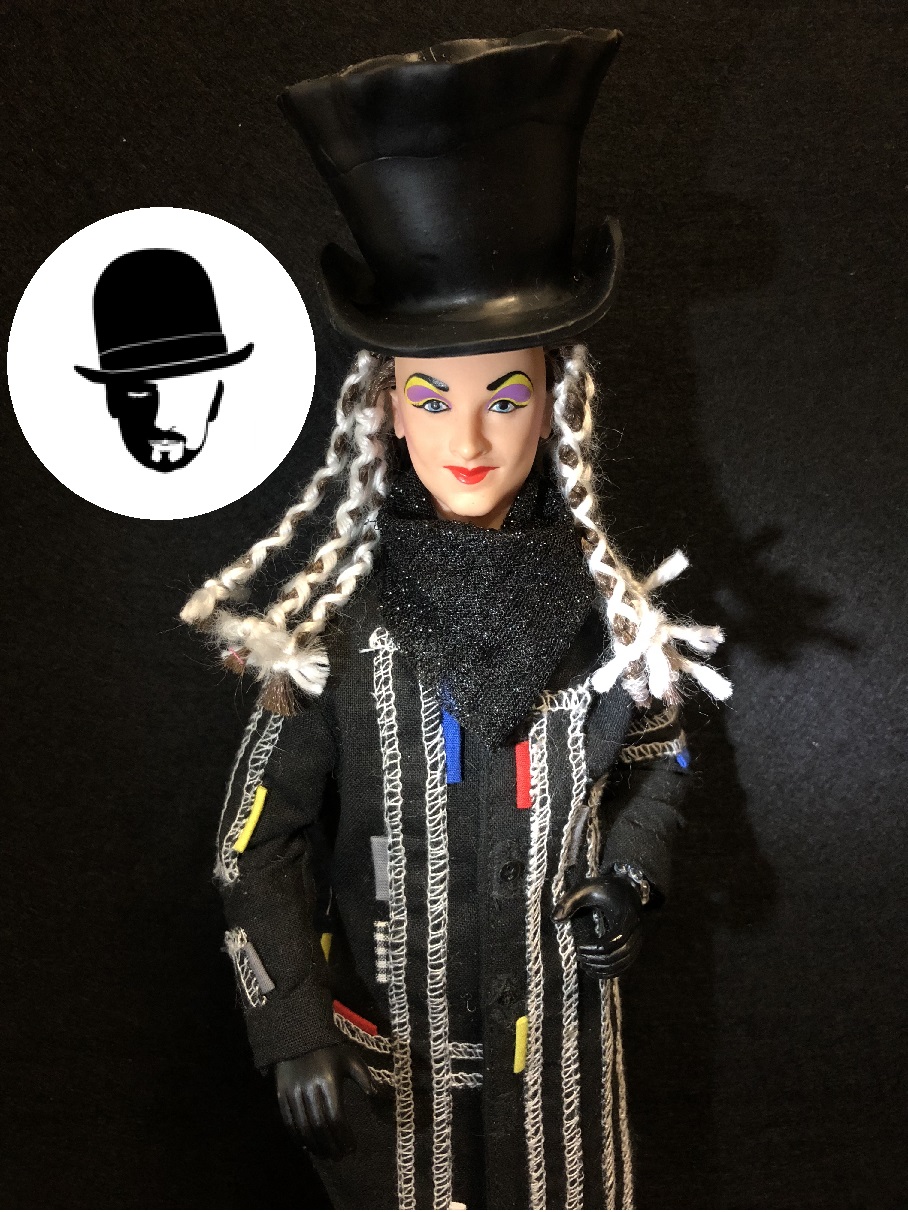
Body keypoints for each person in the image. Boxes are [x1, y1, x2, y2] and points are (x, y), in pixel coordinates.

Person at [181, 30, 730, 1211]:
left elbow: (663, 759)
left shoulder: (611, 617)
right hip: (394, 1079)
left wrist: (629, 878)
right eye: (429, 398)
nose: (467, 440)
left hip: (561, 1075)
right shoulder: (335, 627)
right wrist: (289, 1026)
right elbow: (250, 848)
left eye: (504, 395)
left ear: (556, 404)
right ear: (383, 409)